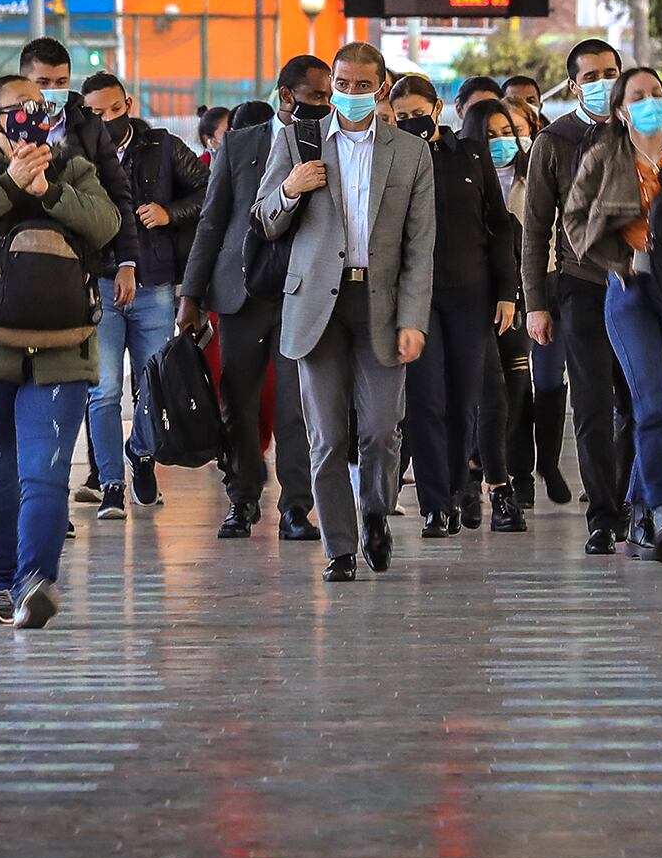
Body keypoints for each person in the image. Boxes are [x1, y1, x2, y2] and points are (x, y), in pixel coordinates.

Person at [0, 73, 121, 628]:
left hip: (63, 346)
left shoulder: (74, 168)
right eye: (15, 109)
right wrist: (10, 184)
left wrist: (50, 192)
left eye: (37, 107)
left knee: (44, 471)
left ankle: (35, 582)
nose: (28, 117)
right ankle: (0, 584)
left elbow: (107, 225)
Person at [254, 42, 437, 582]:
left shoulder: (409, 153)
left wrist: (414, 318)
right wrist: (290, 188)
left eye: (363, 86)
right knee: (327, 436)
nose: (352, 94)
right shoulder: (296, 140)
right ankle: (339, 546)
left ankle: (376, 512)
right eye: (343, 84)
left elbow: (419, 244)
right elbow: (264, 219)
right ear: (332, 85)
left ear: (382, 87)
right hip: (316, 305)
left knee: (381, 429)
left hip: (379, 303)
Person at [562, 67, 662, 564]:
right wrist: (619, 261)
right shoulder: (604, 156)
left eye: (656, 93)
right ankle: (656, 511)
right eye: (638, 96)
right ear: (620, 109)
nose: (650, 101)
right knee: (648, 404)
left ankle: (639, 510)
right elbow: (574, 221)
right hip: (631, 290)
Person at [178, 61, 326, 541]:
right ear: (287, 94)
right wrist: (191, 295)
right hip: (239, 292)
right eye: (317, 94)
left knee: (294, 406)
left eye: (329, 95)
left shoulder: (329, 141)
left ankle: (295, 508)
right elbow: (212, 220)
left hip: (299, 292)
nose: (326, 103)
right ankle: (241, 500)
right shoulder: (241, 143)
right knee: (237, 402)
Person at [15, 36, 147, 501]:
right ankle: (30, 494)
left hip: (77, 274)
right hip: (13, 278)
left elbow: (119, 196)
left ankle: (57, 493)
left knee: (71, 388)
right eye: (42, 82)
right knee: (21, 394)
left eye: (61, 82)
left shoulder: (86, 126)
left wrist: (126, 261)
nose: (52, 90)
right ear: (22, 79)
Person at [390, 76, 521, 536]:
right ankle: (433, 504)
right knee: (426, 400)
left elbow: (500, 226)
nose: (411, 122)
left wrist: (508, 291)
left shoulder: (470, 154)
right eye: (401, 116)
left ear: (438, 106)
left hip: (471, 294)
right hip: (416, 298)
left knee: (465, 400)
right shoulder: (391, 160)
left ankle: (454, 489)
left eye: (417, 112)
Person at [522, 38, 637, 554]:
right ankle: (603, 514)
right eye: (591, 75)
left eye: (610, 71)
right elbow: (535, 228)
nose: (602, 81)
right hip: (581, 286)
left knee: (637, 402)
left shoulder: (642, 130)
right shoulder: (555, 140)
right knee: (592, 403)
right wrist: (536, 303)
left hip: (640, 285)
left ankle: (634, 501)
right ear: (573, 85)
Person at [80, 72, 208, 514]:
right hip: (99, 282)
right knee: (105, 389)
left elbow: (208, 190)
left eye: (115, 109)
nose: (108, 119)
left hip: (153, 283)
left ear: (129, 103)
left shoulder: (162, 146)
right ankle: (111, 481)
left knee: (153, 386)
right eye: (97, 113)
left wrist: (169, 213)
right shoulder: (77, 155)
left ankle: (143, 456)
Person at [467, 97, 559, 509]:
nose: (502, 142)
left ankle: (521, 474)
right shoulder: (464, 175)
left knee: (519, 385)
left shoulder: (531, 172)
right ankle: (476, 470)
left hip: (525, 293)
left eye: (508, 133)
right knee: (485, 391)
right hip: (474, 295)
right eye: (491, 136)